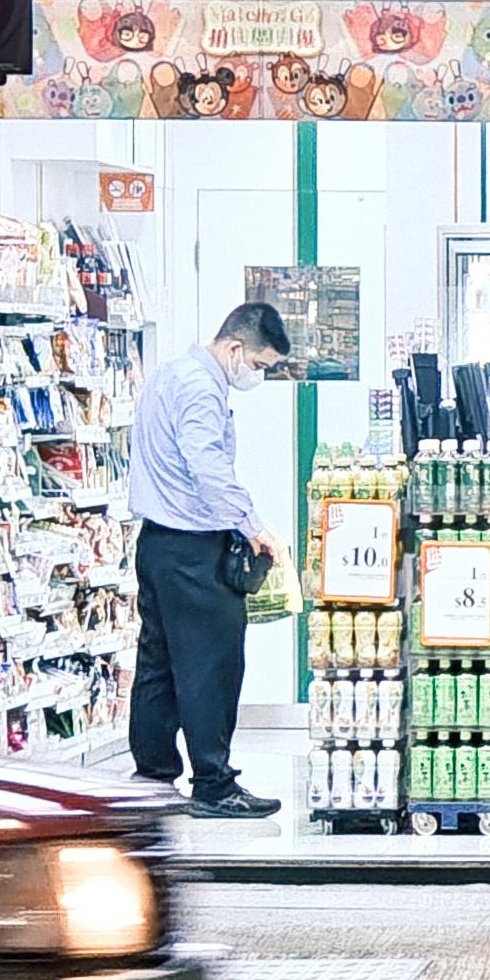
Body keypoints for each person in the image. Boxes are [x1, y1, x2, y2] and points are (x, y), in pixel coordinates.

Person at [129, 299, 290, 819]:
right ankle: (214, 785)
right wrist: (254, 526)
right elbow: (209, 468)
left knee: (158, 666)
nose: (257, 376)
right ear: (236, 347)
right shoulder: (201, 388)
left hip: (157, 545)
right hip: (195, 551)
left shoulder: (169, 374)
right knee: (210, 668)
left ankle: (153, 778)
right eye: (260, 365)